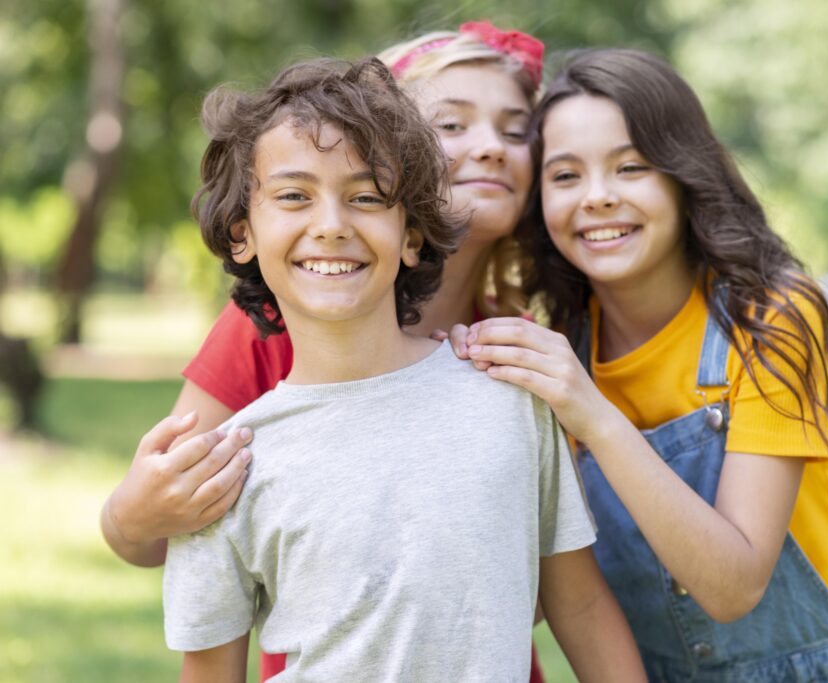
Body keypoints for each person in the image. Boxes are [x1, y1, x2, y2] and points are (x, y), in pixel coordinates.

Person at [162, 56, 644, 682]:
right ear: (241, 234)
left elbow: (577, 603)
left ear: (412, 235)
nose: (331, 225)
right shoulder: (229, 464)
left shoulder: (509, 401)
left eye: (366, 197)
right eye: (292, 196)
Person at [99, 21, 554, 680]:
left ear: (410, 226)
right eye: (452, 126)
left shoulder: (521, 352)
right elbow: (173, 513)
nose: (488, 147)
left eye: (515, 130)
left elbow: (546, 575)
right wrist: (126, 517)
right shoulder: (270, 322)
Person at [451, 49, 828, 681]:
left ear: (681, 175)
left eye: (631, 167)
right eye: (565, 176)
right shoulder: (563, 347)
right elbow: (556, 594)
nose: (597, 197)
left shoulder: (773, 319)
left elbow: (733, 588)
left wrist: (594, 417)